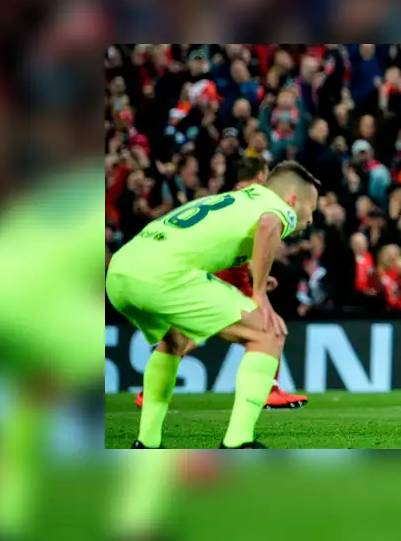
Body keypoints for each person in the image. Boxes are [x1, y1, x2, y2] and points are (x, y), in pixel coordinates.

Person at [107, 161, 320, 448]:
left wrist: (257, 274)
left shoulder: (239, 199)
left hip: (121, 270)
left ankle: (146, 443)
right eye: (312, 209)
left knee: (175, 341)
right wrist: (259, 294)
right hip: (162, 276)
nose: (310, 219)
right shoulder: (277, 206)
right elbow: (269, 225)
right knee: (269, 332)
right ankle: (238, 442)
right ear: (294, 199)